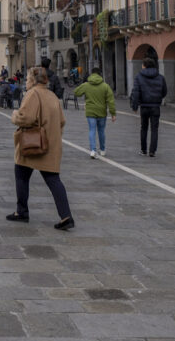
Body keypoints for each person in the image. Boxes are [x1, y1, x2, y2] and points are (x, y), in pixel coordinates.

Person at [7, 67, 74, 231]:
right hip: (51, 144)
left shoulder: (33, 94)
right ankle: (66, 216)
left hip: (33, 144)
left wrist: (15, 115)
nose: (26, 81)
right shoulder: (52, 96)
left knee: (21, 174)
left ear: (33, 80)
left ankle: (22, 211)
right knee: (53, 179)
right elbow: (62, 121)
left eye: (28, 78)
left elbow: (26, 117)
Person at [74, 67, 116, 159]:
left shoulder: (86, 85)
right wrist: (113, 113)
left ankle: (93, 150)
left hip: (90, 112)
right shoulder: (105, 86)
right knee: (101, 131)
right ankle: (102, 150)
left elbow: (76, 92)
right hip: (102, 112)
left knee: (92, 130)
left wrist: (84, 87)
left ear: (91, 74)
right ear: (100, 74)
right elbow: (111, 101)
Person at [130, 57, 167, 157]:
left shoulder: (139, 76)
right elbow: (164, 92)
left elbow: (136, 92)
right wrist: (158, 98)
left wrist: (135, 106)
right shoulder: (160, 77)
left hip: (144, 106)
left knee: (144, 128)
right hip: (155, 106)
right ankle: (152, 151)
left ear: (144, 66)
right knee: (154, 129)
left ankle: (143, 150)